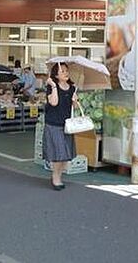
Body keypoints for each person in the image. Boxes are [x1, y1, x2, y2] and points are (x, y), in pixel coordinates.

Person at [43, 62, 78, 190]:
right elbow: (54, 102)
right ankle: (55, 178)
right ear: (56, 75)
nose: (66, 73)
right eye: (62, 71)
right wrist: (53, 86)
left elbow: (74, 107)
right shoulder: (51, 86)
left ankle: (58, 176)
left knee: (65, 155)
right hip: (53, 124)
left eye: (66, 71)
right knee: (59, 154)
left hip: (67, 125)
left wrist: (75, 100)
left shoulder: (72, 88)